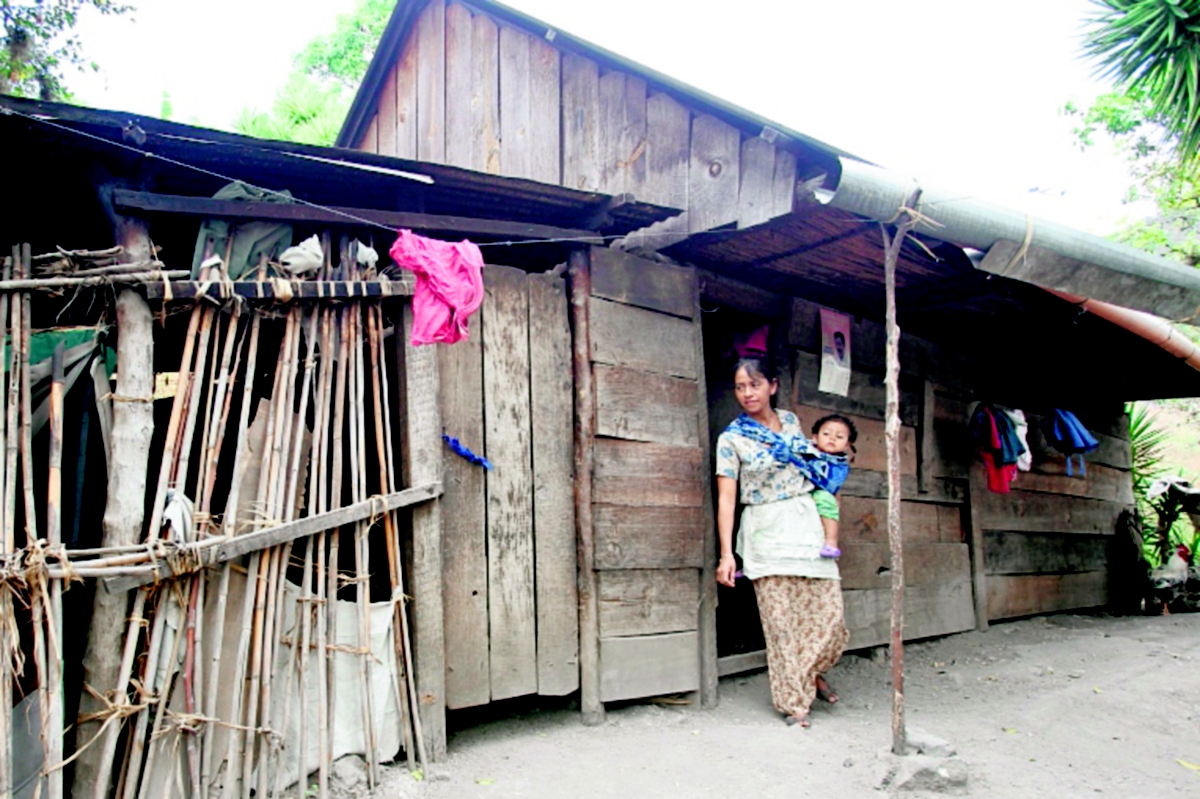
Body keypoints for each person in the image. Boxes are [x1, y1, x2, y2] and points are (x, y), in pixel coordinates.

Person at [715, 357, 849, 728]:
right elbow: (727, 498)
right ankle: (794, 703)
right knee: (781, 624)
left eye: (754, 385)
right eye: (740, 387)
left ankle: (810, 672)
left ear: (772, 385)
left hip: (806, 524)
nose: (747, 393)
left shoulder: (790, 421)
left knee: (830, 617)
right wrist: (728, 554)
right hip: (765, 527)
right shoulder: (731, 439)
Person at [810, 414, 858, 559]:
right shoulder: (805, 451)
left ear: (847, 444)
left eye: (839, 436)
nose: (832, 439)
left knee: (826, 500)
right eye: (826, 434)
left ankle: (831, 542)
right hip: (795, 490)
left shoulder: (840, 464)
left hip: (819, 492)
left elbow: (831, 485)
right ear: (815, 437)